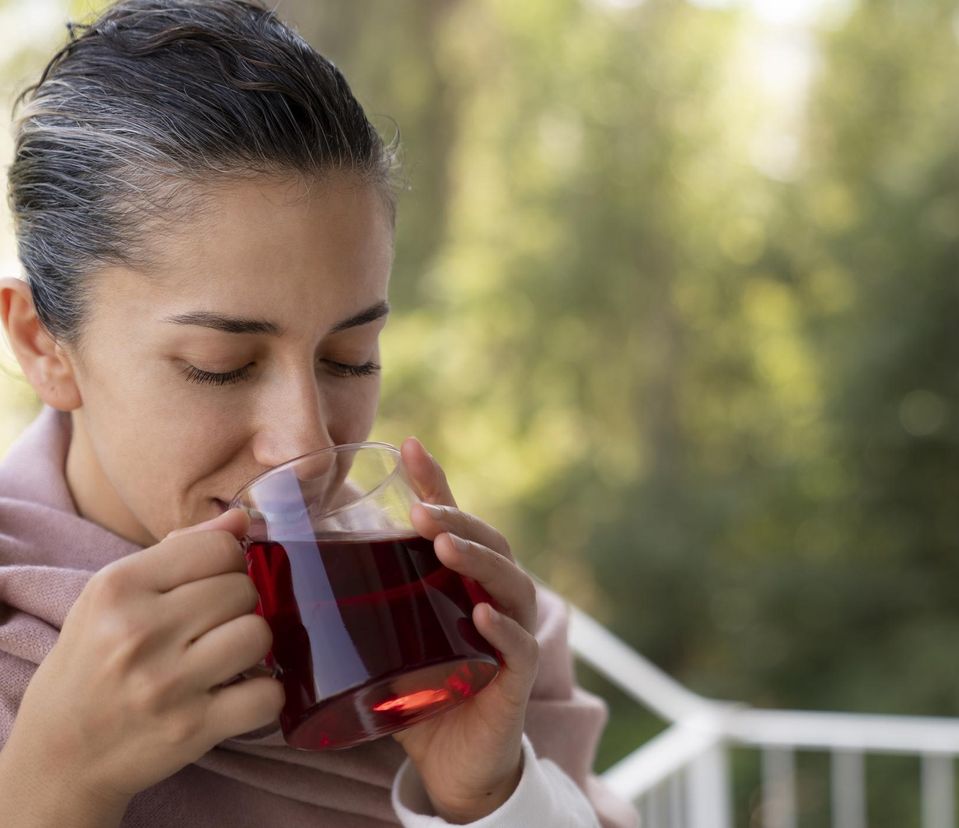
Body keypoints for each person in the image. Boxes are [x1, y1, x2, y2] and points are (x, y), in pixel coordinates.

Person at [0, 2, 640, 826]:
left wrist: (490, 800)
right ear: (42, 343)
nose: (306, 447)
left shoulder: (465, 630)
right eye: (219, 366)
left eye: (350, 358)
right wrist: (53, 783)